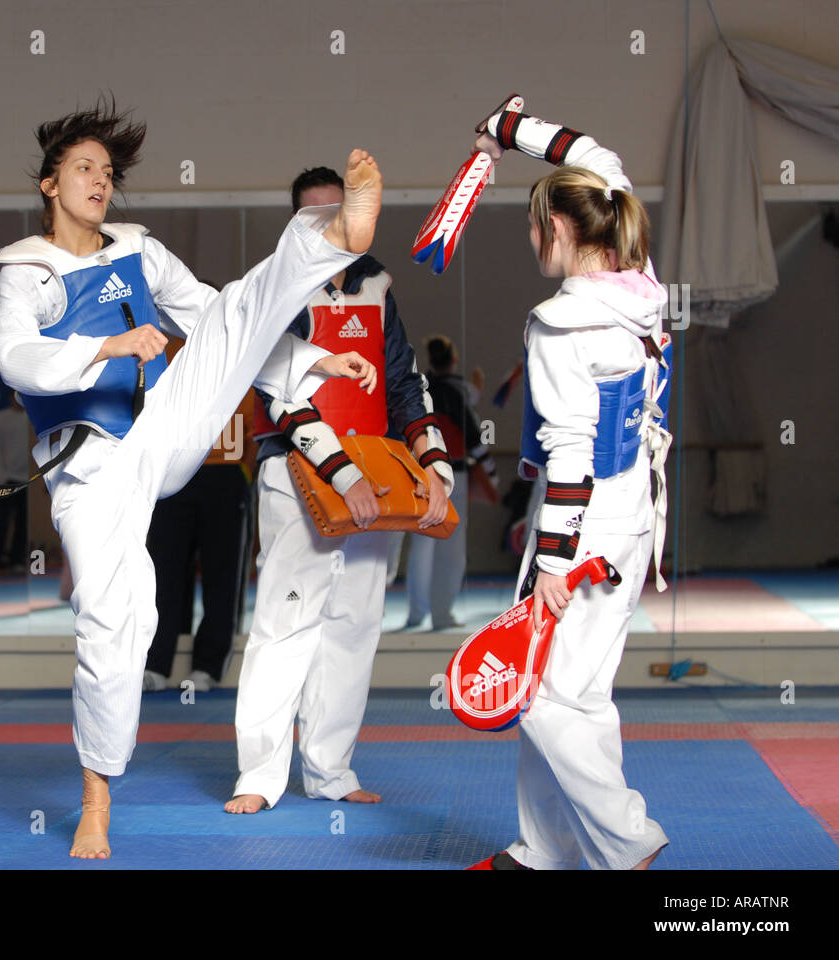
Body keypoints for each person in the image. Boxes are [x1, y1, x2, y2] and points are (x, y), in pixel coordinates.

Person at [0, 101, 383, 859]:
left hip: (164, 424)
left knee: (233, 305)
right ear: (48, 183)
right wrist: (106, 347)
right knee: (115, 617)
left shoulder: (139, 249)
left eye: (107, 172)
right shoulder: (27, 272)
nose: (100, 181)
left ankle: (331, 235)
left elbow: (213, 315)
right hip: (91, 466)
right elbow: (13, 356)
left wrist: (308, 363)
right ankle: (96, 796)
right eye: (83, 169)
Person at [467, 107, 672, 870]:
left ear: (557, 227)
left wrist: (552, 558)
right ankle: (544, 851)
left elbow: (571, 450)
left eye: (532, 227)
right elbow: (594, 154)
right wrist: (505, 127)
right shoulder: (639, 284)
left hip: (586, 523)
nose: (530, 244)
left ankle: (627, 844)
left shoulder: (565, 323)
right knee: (569, 687)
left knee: (550, 697)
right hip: (631, 512)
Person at [225, 166, 452, 815]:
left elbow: (406, 385)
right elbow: (279, 387)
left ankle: (330, 770)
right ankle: (259, 776)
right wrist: (340, 475)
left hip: (375, 482)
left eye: (340, 211)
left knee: (355, 626)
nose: (330, 225)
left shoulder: (379, 287)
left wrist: (431, 463)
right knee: (285, 623)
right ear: (295, 224)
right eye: (314, 216)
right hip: (298, 476)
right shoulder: (278, 288)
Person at [143, 339, 255, 694]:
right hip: (172, 473)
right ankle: (155, 662)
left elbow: (253, 420)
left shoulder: (237, 350)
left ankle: (208, 665)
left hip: (224, 472)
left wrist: (243, 473)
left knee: (222, 573)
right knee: (162, 571)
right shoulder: (163, 350)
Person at [405, 334, 499, 629]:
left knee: (421, 547)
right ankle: (441, 612)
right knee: (450, 548)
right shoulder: (458, 392)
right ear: (454, 358)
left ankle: (416, 613)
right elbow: (474, 437)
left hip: (421, 473)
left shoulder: (421, 389)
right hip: (450, 473)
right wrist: (492, 476)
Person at [0, 397, 30, 576]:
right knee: (1, 522)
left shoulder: (30, 417)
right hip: (6, 478)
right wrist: (0, 477)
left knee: (23, 523)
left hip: (26, 478)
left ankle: (16, 560)